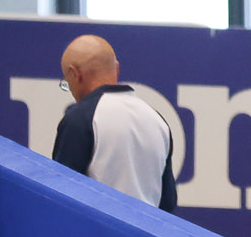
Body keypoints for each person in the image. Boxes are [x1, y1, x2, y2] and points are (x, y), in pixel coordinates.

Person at [48, 34, 178, 208]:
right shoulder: (158, 121)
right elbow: (167, 203)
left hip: (96, 225)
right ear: (117, 69)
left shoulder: (80, 118)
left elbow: (63, 195)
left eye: (66, 81)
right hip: (146, 226)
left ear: (74, 74)